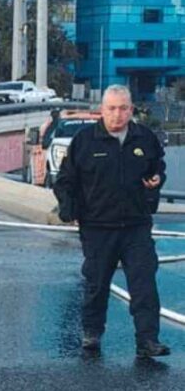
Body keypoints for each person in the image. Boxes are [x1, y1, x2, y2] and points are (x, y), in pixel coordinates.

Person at [53, 85, 170, 358]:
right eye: (112, 109)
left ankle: (148, 340)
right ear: (102, 110)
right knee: (97, 284)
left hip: (136, 225)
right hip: (97, 227)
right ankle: (92, 333)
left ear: (131, 110)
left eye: (123, 108)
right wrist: (68, 211)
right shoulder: (84, 141)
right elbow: (66, 181)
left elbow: (157, 167)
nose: (118, 115)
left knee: (143, 284)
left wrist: (157, 180)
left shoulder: (145, 138)